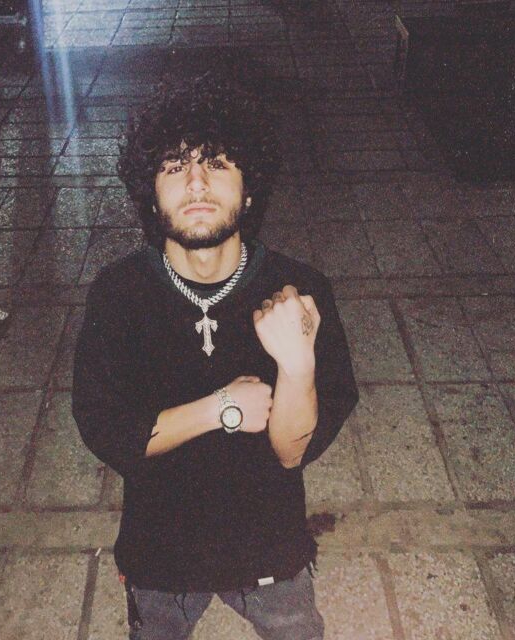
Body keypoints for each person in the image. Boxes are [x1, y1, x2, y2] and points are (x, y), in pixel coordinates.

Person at [72, 72, 359, 640]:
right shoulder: (119, 294)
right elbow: (111, 433)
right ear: (151, 195)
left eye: (218, 164)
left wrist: (297, 364)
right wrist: (222, 407)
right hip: (160, 553)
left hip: (269, 547)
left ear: (248, 191)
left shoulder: (300, 292)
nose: (197, 183)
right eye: (174, 167)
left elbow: (292, 453)